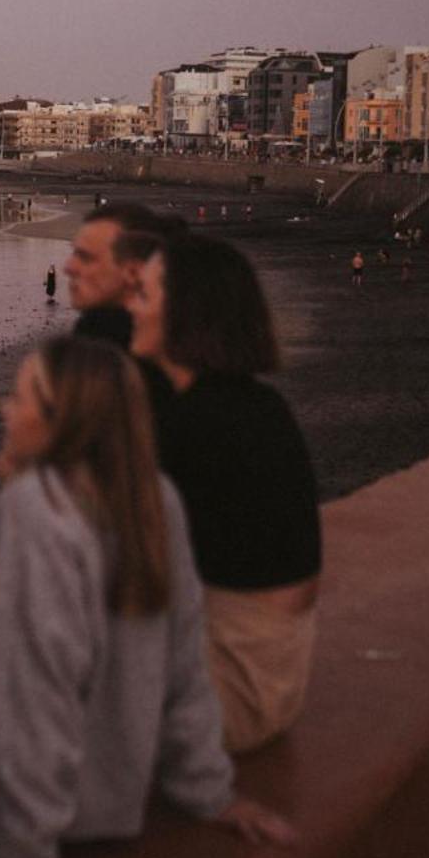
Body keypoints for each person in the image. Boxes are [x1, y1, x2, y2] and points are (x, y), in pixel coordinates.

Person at [0, 337, 291, 858]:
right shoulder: (157, 501)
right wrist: (209, 791)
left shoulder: (34, 512)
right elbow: (184, 664)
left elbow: (32, 700)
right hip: (103, 793)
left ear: (61, 425)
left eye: (19, 397)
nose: (2, 408)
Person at [126, 235, 322, 753]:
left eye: (143, 295)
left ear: (183, 313)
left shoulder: (201, 425)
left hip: (230, 693)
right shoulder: (256, 405)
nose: (130, 307)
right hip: (272, 677)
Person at [64, 202, 177, 348]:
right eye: (74, 253)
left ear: (133, 272)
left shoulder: (142, 352)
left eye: (86, 257)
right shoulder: (94, 330)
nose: (68, 267)